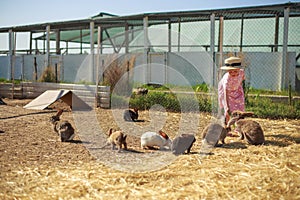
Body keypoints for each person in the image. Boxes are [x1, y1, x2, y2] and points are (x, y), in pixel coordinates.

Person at [218, 56, 245, 125]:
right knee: (228, 111)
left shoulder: (241, 73)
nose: (233, 73)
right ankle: (227, 127)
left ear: (239, 69)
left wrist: (237, 87)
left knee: (240, 108)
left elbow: (241, 79)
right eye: (230, 71)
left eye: (235, 71)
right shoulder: (227, 80)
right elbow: (225, 93)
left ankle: (239, 126)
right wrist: (226, 107)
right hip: (227, 93)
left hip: (237, 91)